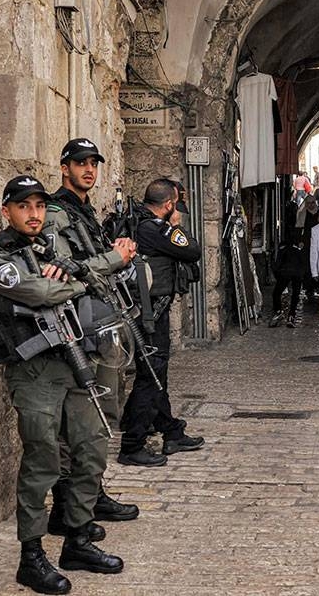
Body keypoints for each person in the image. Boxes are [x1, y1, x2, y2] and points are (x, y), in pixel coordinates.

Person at [0, 175, 123, 594]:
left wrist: (72, 277)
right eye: (24, 206)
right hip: (34, 373)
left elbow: (95, 282)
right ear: (6, 211)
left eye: (40, 205)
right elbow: (41, 292)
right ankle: (31, 557)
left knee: (91, 447)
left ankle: (78, 538)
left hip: (72, 361)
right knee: (42, 461)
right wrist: (73, 284)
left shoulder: (49, 249)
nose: (34, 213)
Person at [42, 138, 140, 536]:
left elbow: (90, 264)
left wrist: (116, 253)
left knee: (103, 413)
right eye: (81, 163)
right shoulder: (54, 213)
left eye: (94, 164)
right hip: (76, 328)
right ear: (64, 167)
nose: (89, 170)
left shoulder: (84, 212)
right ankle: (67, 506)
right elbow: (66, 270)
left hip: (100, 324)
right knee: (77, 421)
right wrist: (115, 258)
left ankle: (92, 492)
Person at [119, 179, 205, 467]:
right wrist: (176, 225)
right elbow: (192, 250)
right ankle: (132, 443)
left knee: (157, 374)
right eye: (175, 205)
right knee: (151, 376)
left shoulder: (143, 225)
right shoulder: (153, 228)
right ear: (168, 205)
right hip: (150, 315)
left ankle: (170, 430)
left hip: (152, 311)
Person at [269, 229, 307, 328]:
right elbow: (304, 263)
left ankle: (278, 312)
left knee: (276, 293)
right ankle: (291, 315)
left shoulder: (283, 248)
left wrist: (277, 274)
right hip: (297, 273)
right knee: (295, 295)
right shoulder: (300, 249)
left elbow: (277, 264)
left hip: (285, 273)